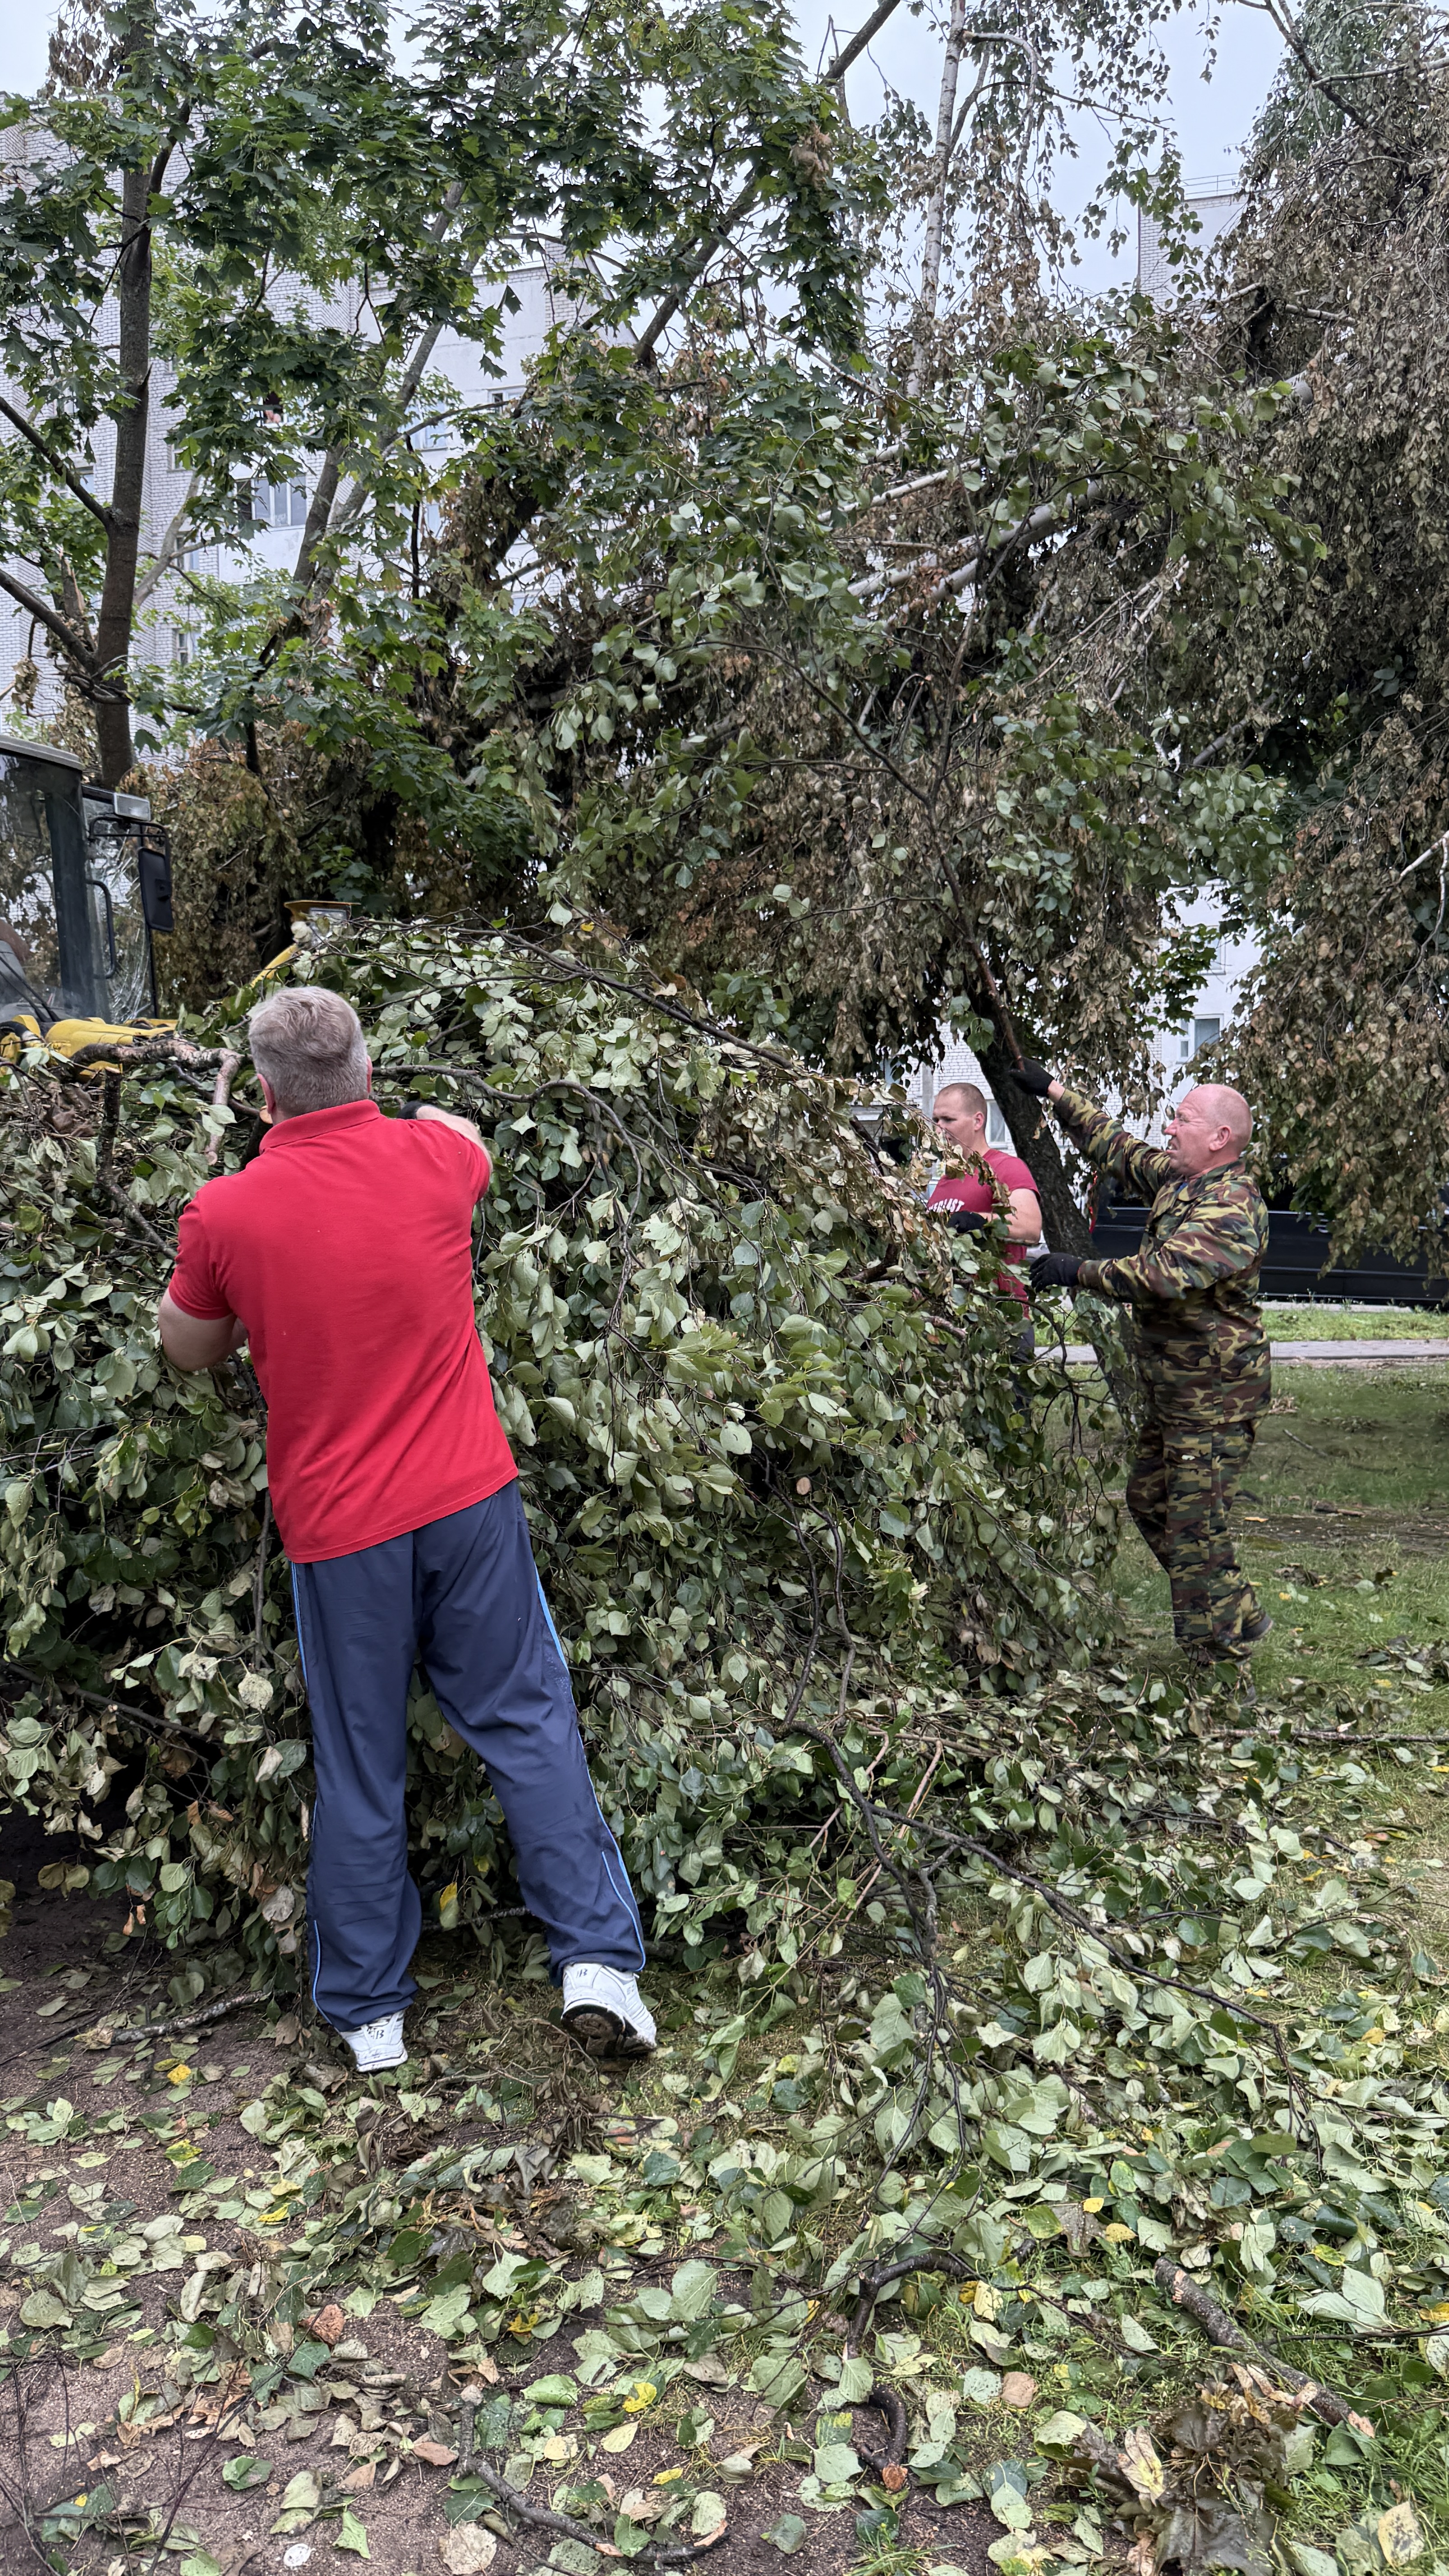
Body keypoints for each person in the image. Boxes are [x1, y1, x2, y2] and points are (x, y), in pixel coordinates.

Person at [156, 984, 653, 2073]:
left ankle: (372, 2015)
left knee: (361, 1761)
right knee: (527, 1724)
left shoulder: (225, 1212)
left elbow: (187, 1349)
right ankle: (600, 1968)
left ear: (268, 1092)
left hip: (341, 1533)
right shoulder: (437, 1165)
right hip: (468, 1502)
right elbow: (463, 1133)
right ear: (368, 1071)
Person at [1017, 1063, 1271, 1670]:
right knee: (1151, 1500)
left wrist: (1075, 1269)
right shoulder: (1180, 1180)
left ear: (1219, 1138)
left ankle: (1215, 1656)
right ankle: (1234, 1613)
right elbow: (1118, 1147)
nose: (1169, 1126)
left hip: (1215, 1395)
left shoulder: (1233, 1206)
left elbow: (1162, 1276)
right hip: (1176, 1391)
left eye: (1182, 1119)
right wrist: (1053, 1091)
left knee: (1191, 1521)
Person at [928, 1082, 1043, 1355]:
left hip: (1001, 1323)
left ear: (978, 1120)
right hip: (952, 1324)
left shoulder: (1006, 1168)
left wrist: (978, 1220)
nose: (938, 1128)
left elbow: (1030, 1226)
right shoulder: (945, 1182)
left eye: (948, 1120)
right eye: (935, 1120)